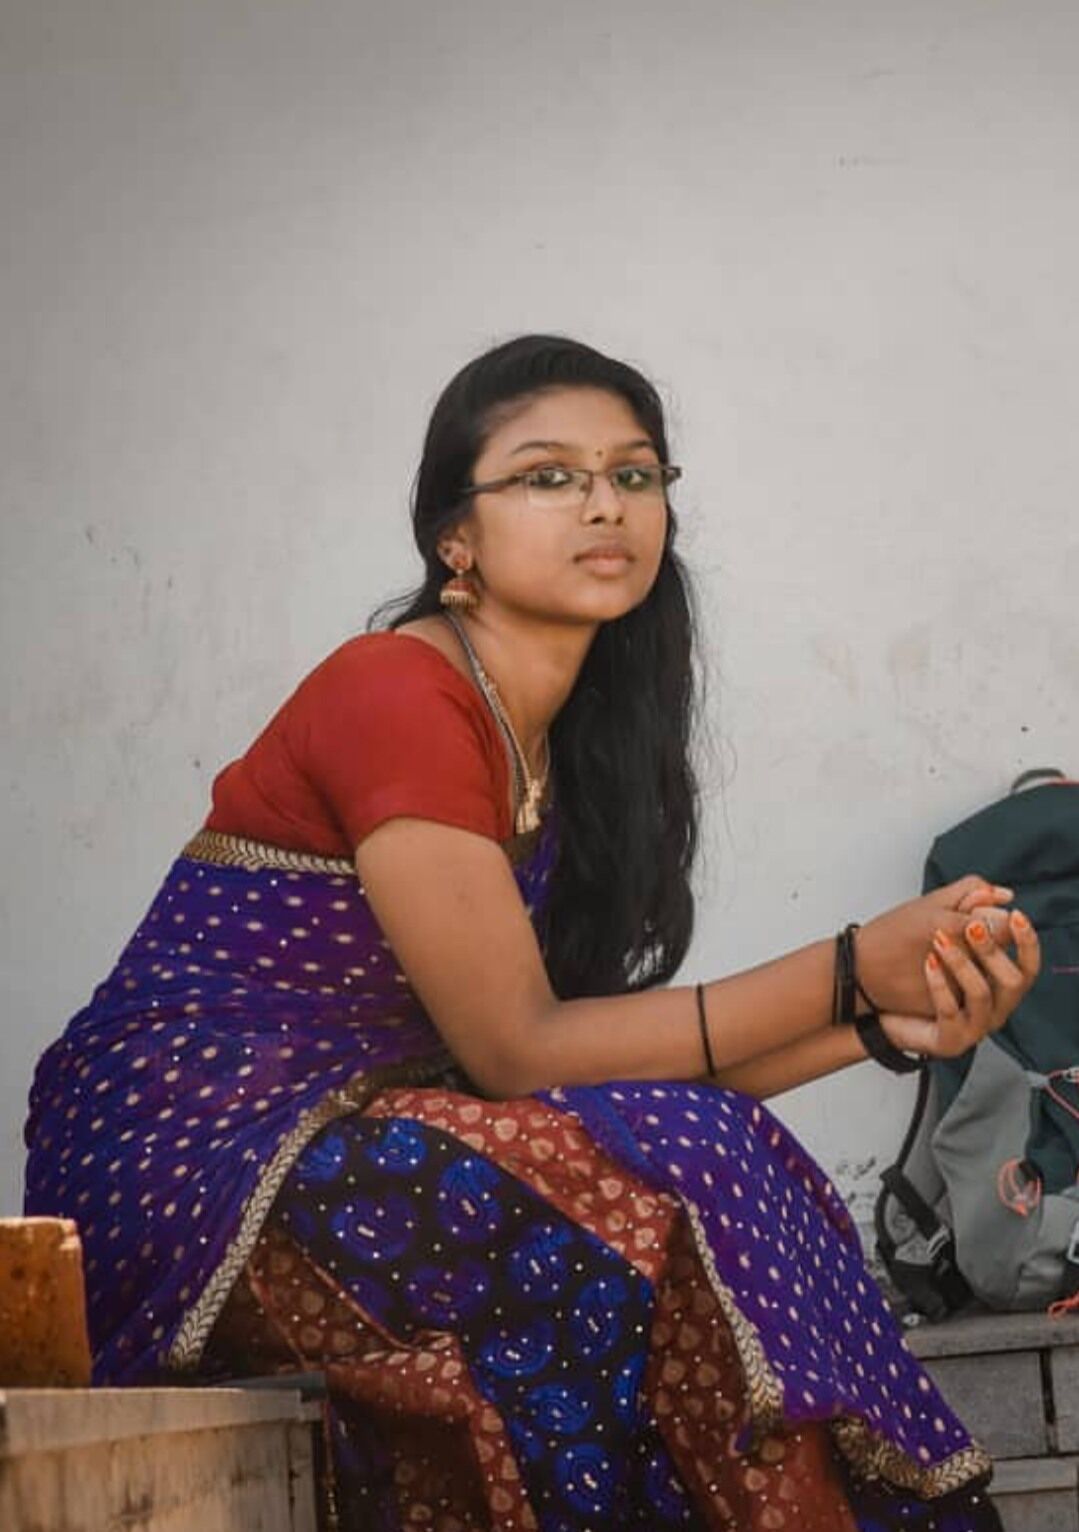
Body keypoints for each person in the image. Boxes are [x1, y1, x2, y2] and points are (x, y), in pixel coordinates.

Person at [25, 334, 1039, 1532]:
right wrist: (846, 964)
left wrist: (882, 1022)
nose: (604, 503)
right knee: (682, 1169)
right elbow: (518, 1050)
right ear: (454, 535)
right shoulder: (393, 688)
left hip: (384, 1130)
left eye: (634, 473)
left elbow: (593, 1085)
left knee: (690, 1152)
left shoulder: (567, 751)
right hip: (200, 1163)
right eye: (548, 475)